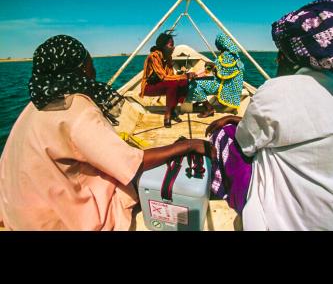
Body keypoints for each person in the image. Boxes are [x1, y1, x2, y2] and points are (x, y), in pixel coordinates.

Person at [0, 35, 215, 231]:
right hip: (52, 222)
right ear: (80, 69)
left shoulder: (34, 106)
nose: (93, 67)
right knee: (128, 186)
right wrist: (187, 145)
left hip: (16, 213)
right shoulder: (78, 111)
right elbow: (133, 163)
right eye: (89, 61)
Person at [206, 0, 333, 230]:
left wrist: (233, 126)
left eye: (280, 54)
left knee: (224, 135)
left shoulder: (276, 91)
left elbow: (245, 144)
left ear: (289, 57)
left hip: (285, 222)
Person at [140, 31, 195, 128]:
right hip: (149, 87)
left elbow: (171, 75)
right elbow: (164, 77)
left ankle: (172, 109)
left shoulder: (168, 57)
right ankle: (168, 114)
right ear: (163, 46)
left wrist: (183, 78)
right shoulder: (153, 57)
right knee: (173, 83)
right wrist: (185, 75)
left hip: (162, 84)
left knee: (182, 82)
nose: (173, 47)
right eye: (171, 45)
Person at [186, 33, 245, 118]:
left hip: (225, 86)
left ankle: (209, 108)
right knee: (198, 80)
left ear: (221, 43)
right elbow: (220, 68)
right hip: (223, 82)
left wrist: (213, 67)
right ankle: (200, 100)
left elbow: (223, 74)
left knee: (193, 84)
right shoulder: (229, 54)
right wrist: (199, 73)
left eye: (217, 43)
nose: (216, 46)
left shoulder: (227, 56)